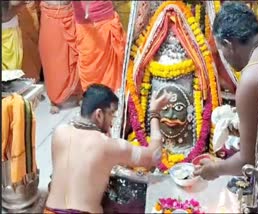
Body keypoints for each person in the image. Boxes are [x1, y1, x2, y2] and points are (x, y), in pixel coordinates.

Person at [44, 84, 172, 213]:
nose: (112, 122)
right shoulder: (108, 145)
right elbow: (154, 156)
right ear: (99, 114)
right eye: (111, 114)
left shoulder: (59, 132)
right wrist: (154, 114)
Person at [194, 2, 258, 180]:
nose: (223, 56)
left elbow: (248, 162)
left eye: (221, 49)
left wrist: (215, 170)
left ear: (228, 44)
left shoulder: (249, 80)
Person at [72, 1, 126, 93]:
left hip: (105, 18)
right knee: (88, 64)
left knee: (109, 67)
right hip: (84, 24)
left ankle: (108, 99)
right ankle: (93, 97)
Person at [39, 1, 82, 114]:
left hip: (70, 11)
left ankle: (79, 94)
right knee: (52, 58)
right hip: (50, 14)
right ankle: (54, 99)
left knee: (75, 54)